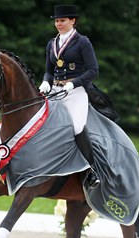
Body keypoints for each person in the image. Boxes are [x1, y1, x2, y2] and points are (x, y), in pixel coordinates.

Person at [39, 4, 100, 187]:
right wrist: (45, 82)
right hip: (55, 91)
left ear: (72, 21)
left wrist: (73, 84)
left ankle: (92, 169)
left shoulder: (82, 42)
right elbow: (49, 71)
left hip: (76, 92)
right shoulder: (52, 43)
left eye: (62, 20)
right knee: (38, 122)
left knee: (77, 126)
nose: (58, 24)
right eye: (57, 21)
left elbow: (93, 70)